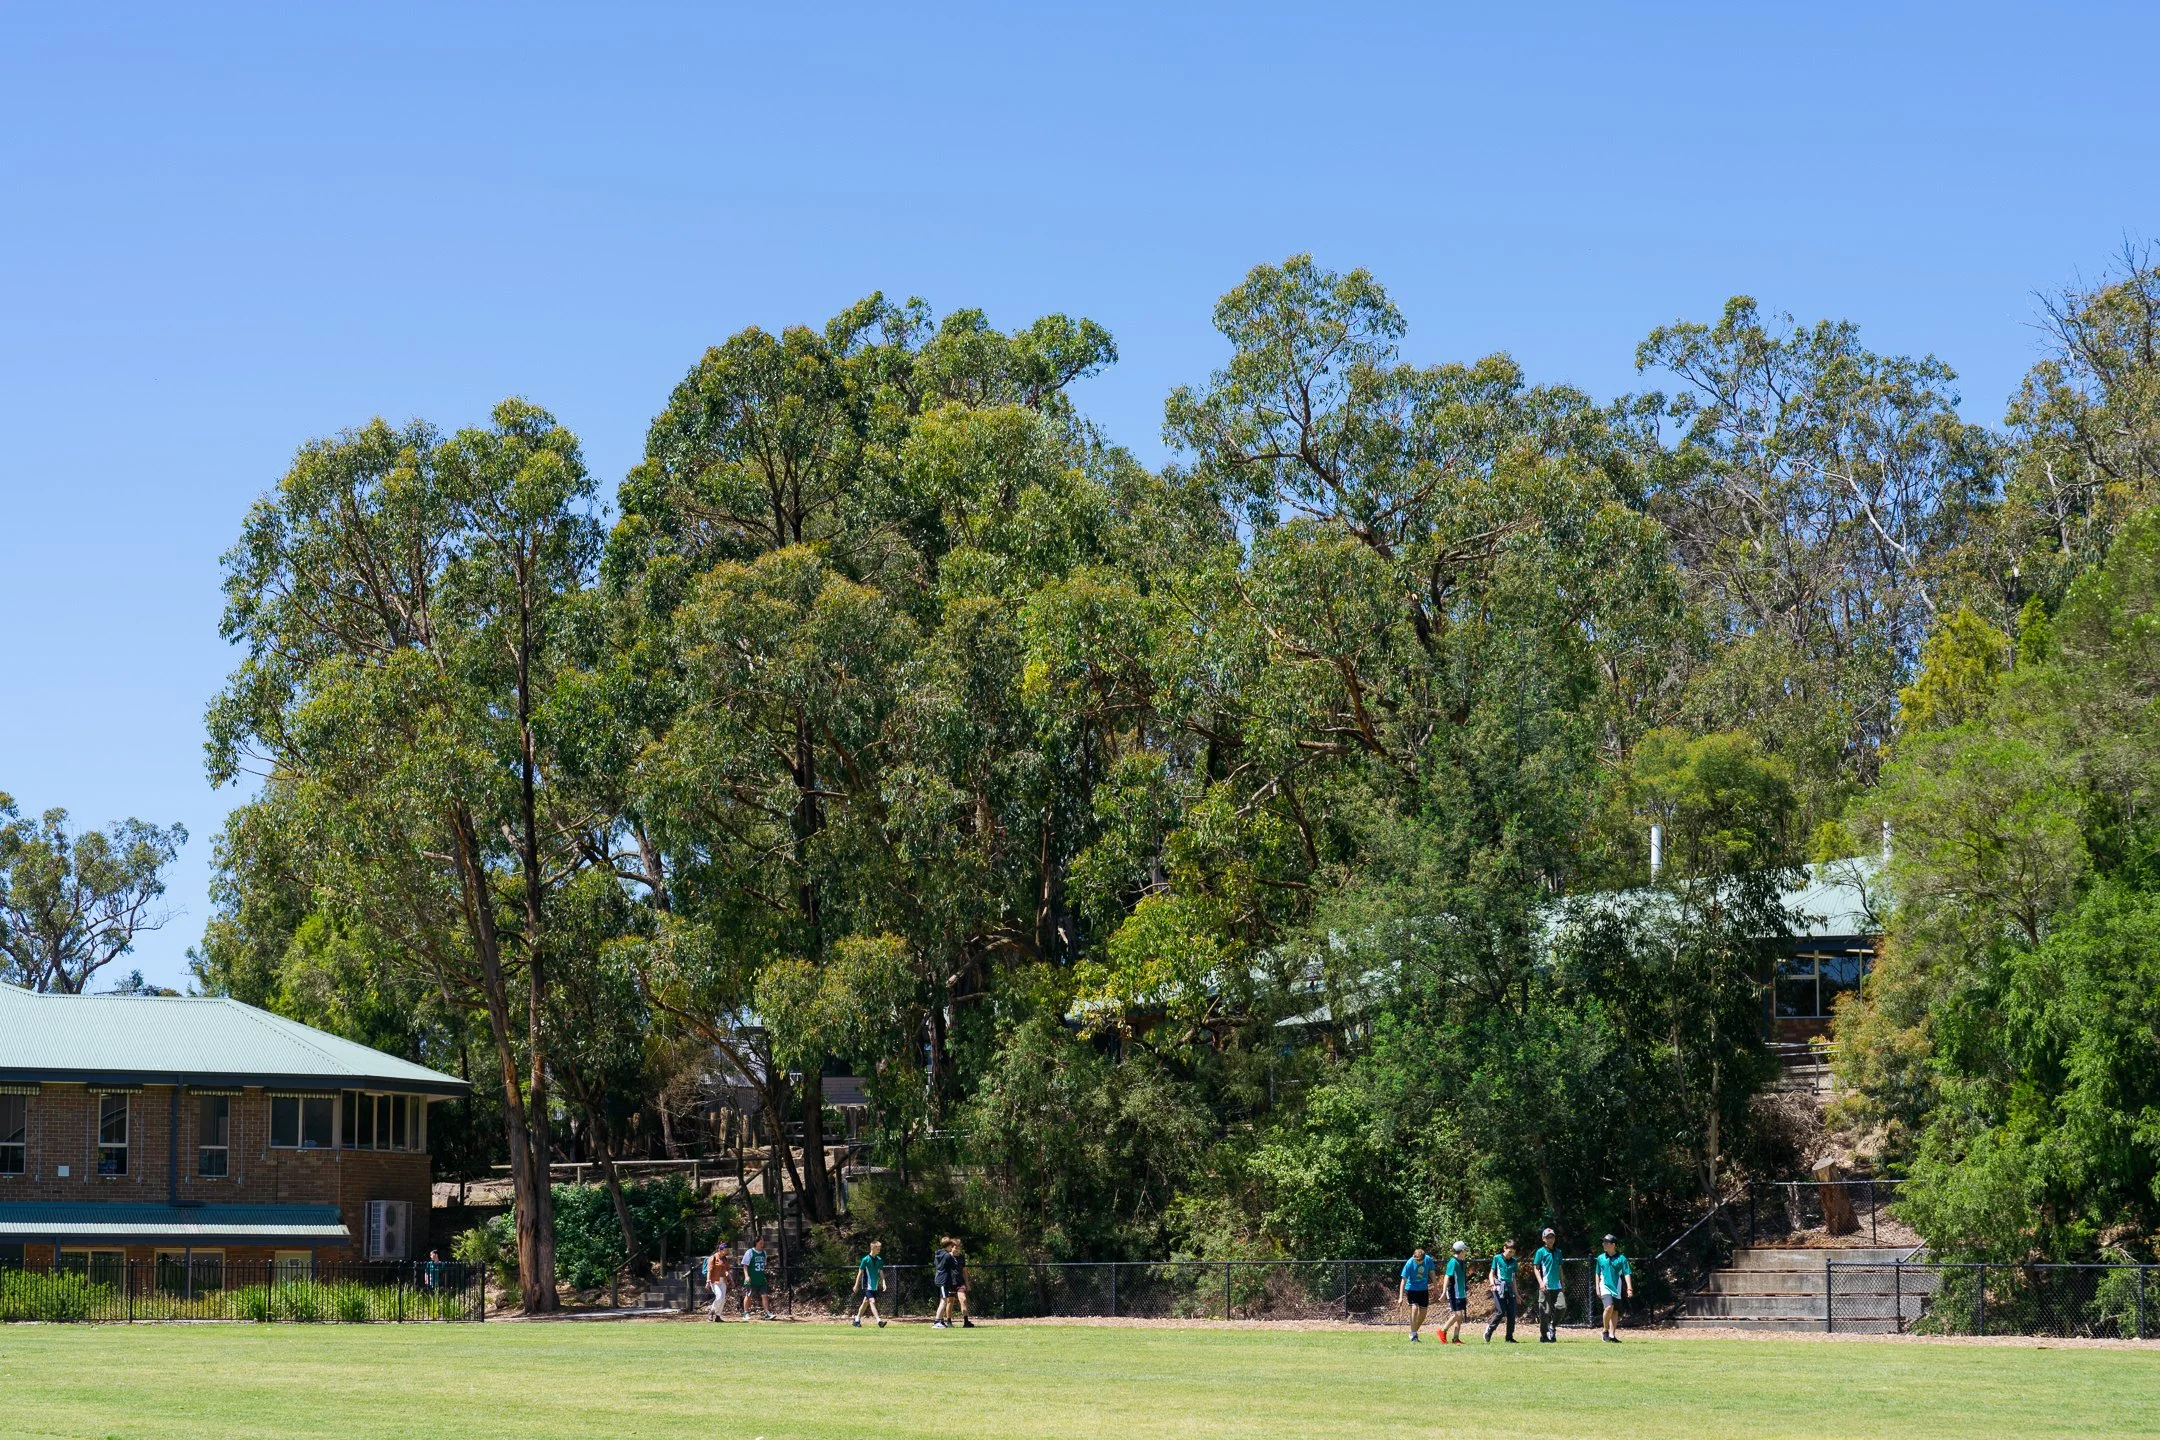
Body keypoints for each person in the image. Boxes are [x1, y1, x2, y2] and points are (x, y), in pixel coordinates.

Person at [1596, 1234, 1633, 1343]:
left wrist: (1629, 1288)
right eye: (1603, 1242)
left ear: (1613, 1245)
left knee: (1615, 1311)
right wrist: (1597, 1287)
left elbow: (1627, 1273)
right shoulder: (1600, 1258)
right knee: (1609, 1307)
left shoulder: (1621, 1258)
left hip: (1616, 1287)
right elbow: (1597, 1273)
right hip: (1604, 1286)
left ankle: (1612, 1336)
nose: (1604, 1244)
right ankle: (1605, 1331)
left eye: (1606, 1242)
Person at [1532, 1228, 1566, 1342]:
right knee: (1544, 1312)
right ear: (1543, 1239)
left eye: (1552, 1237)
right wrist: (1541, 1283)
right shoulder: (1540, 1252)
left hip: (1557, 1286)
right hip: (1545, 1286)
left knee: (1562, 1306)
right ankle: (1543, 1335)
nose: (1550, 1239)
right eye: (1548, 1237)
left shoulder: (1558, 1252)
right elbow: (1536, 1269)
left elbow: (1560, 1268)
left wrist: (1562, 1282)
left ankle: (1553, 1325)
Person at [932, 1237, 974, 1329]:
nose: (956, 1249)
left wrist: (966, 1283)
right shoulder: (947, 1256)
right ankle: (938, 1321)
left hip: (949, 1281)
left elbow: (963, 1269)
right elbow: (949, 1265)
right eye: (954, 1247)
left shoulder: (938, 1254)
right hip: (946, 1281)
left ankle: (941, 1321)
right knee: (945, 1301)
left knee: (950, 1300)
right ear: (950, 1246)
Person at [1483, 1238, 1520, 1343]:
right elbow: (1491, 1273)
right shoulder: (1497, 1258)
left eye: (1513, 1252)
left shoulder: (1514, 1261)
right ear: (1505, 1248)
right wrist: (1492, 1283)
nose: (1511, 1254)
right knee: (1500, 1311)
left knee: (1511, 1313)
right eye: (1509, 1251)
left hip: (1510, 1289)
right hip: (1499, 1288)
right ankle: (1489, 1329)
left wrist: (1516, 1294)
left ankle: (1509, 1337)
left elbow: (1513, 1278)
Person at [1399, 1245, 1436, 1342]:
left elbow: (1432, 1273)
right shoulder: (1410, 1263)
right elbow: (1403, 1280)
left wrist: (1436, 1288)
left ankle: (1413, 1331)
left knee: (1423, 1314)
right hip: (1411, 1289)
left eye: (1419, 1261)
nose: (1417, 1262)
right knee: (1414, 1308)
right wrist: (1400, 1297)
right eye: (1416, 1260)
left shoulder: (1428, 1260)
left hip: (1423, 1289)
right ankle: (1414, 1335)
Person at [852, 1240, 888, 1328]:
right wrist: (856, 1285)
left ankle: (856, 1320)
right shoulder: (865, 1259)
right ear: (872, 1248)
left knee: (865, 1302)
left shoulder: (879, 1260)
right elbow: (860, 1273)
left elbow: (881, 1273)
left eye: (880, 1248)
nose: (879, 1250)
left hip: (874, 1286)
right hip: (867, 1285)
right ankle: (879, 1321)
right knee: (872, 1301)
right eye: (877, 1248)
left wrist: (884, 1283)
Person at [1441, 1240, 1470, 1344]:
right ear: (1462, 1251)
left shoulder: (1462, 1262)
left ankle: (1455, 1338)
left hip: (1461, 1293)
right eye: (1465, 1250)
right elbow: (1447, 1277)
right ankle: (1442, 1331)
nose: (1466, 1252)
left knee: (1460, 1316)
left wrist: (1465, 1294)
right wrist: (1444, 1292)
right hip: (1454, 1292)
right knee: (1457, 1314)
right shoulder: (1453, 1262)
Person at [741, 1236, 774, 1320]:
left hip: (761, 1279)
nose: (762, 1245)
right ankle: (745, 1313)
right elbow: (745, 1265)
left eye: (763, 1243)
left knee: (765, 1295)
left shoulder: (764, 1253)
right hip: (752, 1279)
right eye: (760, 1243)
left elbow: (763, 1265)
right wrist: (747, 1276)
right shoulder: (750, 1252)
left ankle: (767, 1313)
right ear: (756, 1243)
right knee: (749, 1296)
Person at [705, 1240, 732, 1322]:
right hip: (714, 1280)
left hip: (723, 1280)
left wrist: (731, 1280)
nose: (726, 1251)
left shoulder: (725, 1259)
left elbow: (727, 1270)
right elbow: (709, 1270)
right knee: (719, 1296)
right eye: (725, 1250)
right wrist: (708, 1281)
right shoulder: (713, 1258)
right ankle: (711, 1312)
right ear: (720, 1250)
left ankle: (718, 1316)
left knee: (723, 1299)